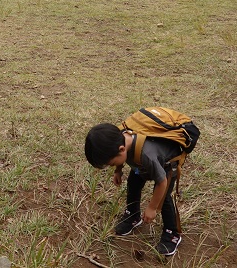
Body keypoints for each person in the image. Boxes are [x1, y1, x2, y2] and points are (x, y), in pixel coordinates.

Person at [84, 110, 200, 258]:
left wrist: (152, 208)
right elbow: (120, 158)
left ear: (121, 149)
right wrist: (118, 171)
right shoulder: (121, 137)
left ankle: (172, 233)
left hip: (166, 166)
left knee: (163, 199)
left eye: (112, 164)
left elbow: (162, 181)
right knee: (133, 182)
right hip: (141, 165)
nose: (112, 166)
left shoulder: (147, 154)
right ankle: (133, 215)